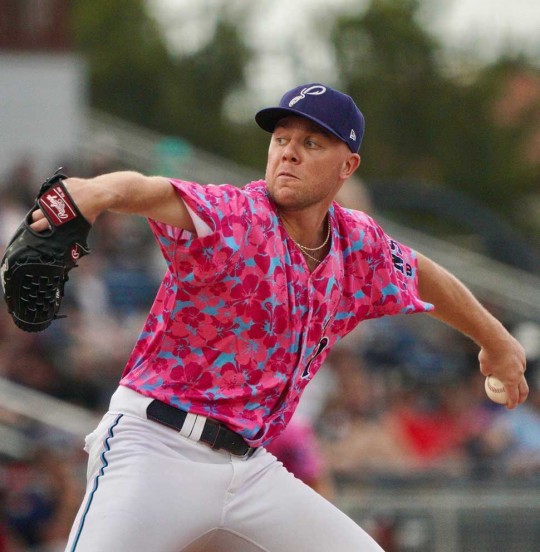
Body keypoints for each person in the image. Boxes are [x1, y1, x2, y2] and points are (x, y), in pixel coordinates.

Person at [28, 83, 528, 552]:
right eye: (281, 138)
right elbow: (153, 190)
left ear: (348, 165)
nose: (288, 151)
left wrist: (497, 340)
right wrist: (96, 192)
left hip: (250, 468)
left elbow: (422, 274)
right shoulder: (235, 215)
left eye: (311, 143)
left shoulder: (357, 244)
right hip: (157, 447)